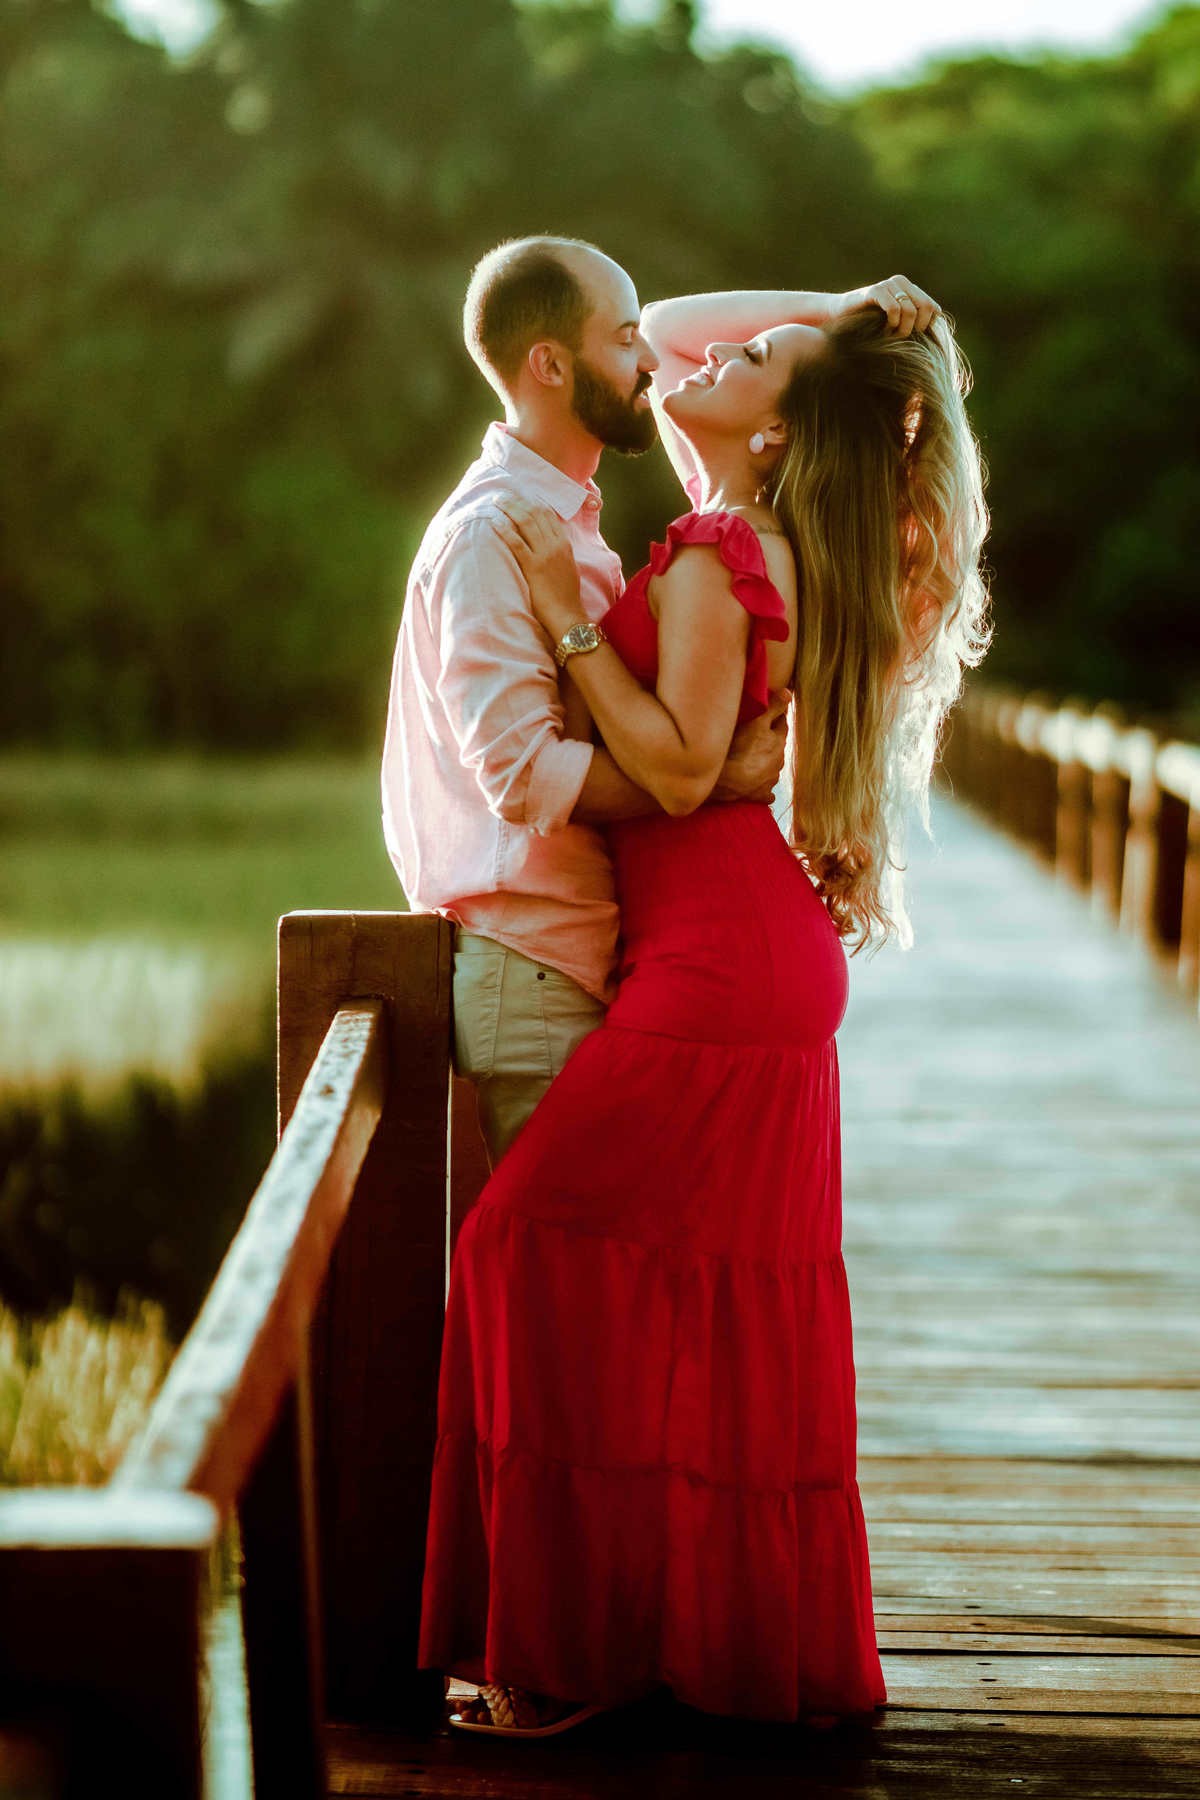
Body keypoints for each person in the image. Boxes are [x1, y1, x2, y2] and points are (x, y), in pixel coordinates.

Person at [416, 269, 990, 1737]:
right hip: (739, 953)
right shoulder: (732, 520)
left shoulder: (718, 545)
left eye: (759, 363)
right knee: (708, 1308)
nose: (708, 352)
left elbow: (674, 771)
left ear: (784, 432)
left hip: (722, 965)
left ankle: (565, 1666)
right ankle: (689, 1648)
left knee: (523, 1244)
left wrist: (562, 623)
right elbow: (661, 334)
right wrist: (847, 316)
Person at [381, 237, 788, 1173]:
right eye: (624, 341)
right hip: (535, 974)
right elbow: (521, 777)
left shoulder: (566, 518)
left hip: (577, 965)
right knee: (566, 1291)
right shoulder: (497, 533)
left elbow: (684, 337)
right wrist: (708, 781)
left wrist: (853, 306)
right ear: (551, 366)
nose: (652, 359)